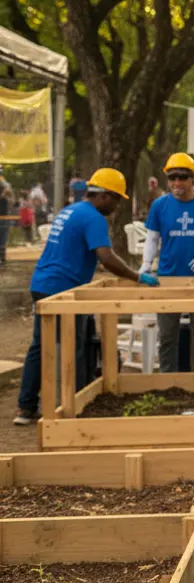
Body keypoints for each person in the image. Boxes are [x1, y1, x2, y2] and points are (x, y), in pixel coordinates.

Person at [15, 169, 158, 425]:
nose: (116, 206)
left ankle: (25, 408)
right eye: (116, 199)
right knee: (75, 346)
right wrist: (137, 276)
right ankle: (78, 404)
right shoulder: (93, 218)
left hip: (42, 283)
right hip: (65, 289)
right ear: (104, 196)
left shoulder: (71, 211)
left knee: (41, 345)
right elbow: (106, 257)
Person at [142, 153, 194, 373]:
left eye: (182, 177)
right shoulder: (160, 205)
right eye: (172, 178)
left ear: (193, 179)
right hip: (168, 279)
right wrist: (146, 265)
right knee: (167, 337)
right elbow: (152, 239)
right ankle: (168, 384)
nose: (177, 183)